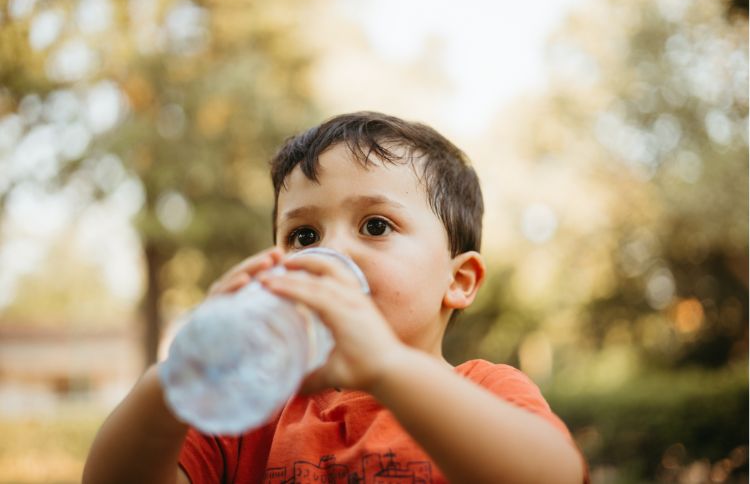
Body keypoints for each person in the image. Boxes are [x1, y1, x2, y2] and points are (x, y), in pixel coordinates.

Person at [83, 111, 587, 483]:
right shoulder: (259, 410)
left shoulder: (485, 392)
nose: (329, 253)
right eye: (303, 235)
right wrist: (177, 377)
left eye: (375, 225)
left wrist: (386, 366)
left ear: (459, 281)